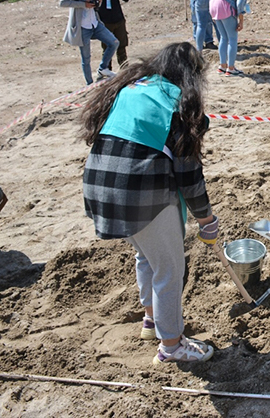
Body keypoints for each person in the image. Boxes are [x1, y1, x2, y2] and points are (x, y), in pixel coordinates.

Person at [80, 42, 218, 365]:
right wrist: (207, 219)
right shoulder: (178, 102)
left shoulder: (131, 87)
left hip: (101, 185)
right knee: (170, 268)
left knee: (146, 254)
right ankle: (171, 346)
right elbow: (189, 175)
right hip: (140, 190)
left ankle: (152, 320)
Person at [60, 0, 119, 85]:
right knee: (86, 58)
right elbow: (63, 3)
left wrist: (99, 1)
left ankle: (102, 68)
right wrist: (83, 4)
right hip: (82, 27)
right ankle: (90, 84)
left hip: (95, 23)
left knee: (114, 42)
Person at [209, 0, 263, 76]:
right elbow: (240, 3)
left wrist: (212, 15)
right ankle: (231, 68)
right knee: (233, 38)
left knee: (223, 38)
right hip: (225, 5)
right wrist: (241, 21)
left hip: (213, 4)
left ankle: (222, 66)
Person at [98, 0, 130, 70]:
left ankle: (125, 70)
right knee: (107, 47)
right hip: (105, 21)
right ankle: (107, 72)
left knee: (122, 46)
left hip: (118, 19)